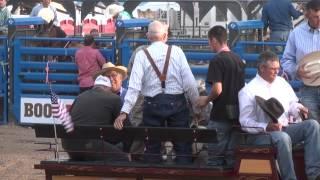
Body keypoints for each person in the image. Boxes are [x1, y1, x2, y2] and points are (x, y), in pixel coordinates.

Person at [113, 20, 199, 164]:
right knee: (183, 148)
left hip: (152, 104)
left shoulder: (141, 54)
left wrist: (124, 112)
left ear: (148, 36)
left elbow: (134, 87)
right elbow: (190, 83)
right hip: (177, 104)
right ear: (165, 36)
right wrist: (196, 107)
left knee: (152, 149)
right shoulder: (177, 52)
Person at [239, 51, 320, 180]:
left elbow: (292, 103)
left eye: (278, 68)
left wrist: (299, 109)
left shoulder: (282, 82)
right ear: (262, 68)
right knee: (283, 137)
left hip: (284, 129)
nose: (277, 72)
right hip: (260, 135)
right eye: (273, 69)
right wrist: (266, 126)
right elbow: (245, 122)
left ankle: (314, 174)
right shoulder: (248, 91)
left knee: (313, 125)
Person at [196, 25, 245, 167]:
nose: (209, 45)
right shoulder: (238, 60)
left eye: (209, 41)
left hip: (220, 114)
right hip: (237, 115)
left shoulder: (217, 61)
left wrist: (205, 100)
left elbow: (217, 89)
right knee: (231, 158)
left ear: (214, 40)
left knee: (215, 158)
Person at [61, 75, 132, 161]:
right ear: (107, 88)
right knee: (123, 158)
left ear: (95, 86)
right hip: (89, 145)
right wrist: (127, 150)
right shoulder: (114, 98)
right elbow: (128, 128)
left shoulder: (80, 96)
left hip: (68, 144)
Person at [281, 0, 320, 121]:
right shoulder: (296, 33)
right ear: (307, 15)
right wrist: (297, 70)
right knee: (312, 124)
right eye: (316, 17)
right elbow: (286, 60)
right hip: (307, 87)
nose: (319, 20)